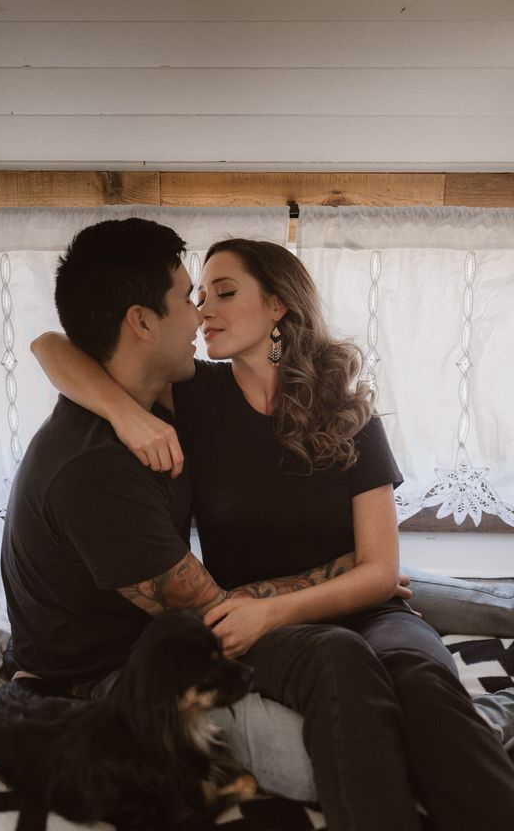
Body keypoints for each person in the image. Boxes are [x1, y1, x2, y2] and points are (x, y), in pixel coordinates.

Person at [32, 231, 514, 831]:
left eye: (224, 292)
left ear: (278, 304)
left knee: (424, 687)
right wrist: (123, 413)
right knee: (385, 729)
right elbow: (49, 345)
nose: (204, 310)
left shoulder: (348, 413)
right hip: (264, 625)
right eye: (198, 296)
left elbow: (379, 573)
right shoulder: (191, 395)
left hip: (359, 609)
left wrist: (276, 610)